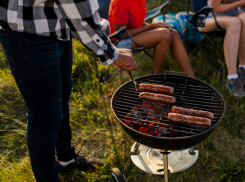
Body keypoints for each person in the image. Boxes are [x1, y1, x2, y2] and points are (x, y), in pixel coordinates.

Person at [0, 0, 137, 181]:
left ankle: (66, 158)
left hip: (58, 23)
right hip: (27, 31)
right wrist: (111, 54)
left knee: (62, 96)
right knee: (44, 118)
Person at [108, 0, 196, 77]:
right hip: (117, 42)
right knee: (164, 34)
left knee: (174, 33)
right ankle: (156, 78)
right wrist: (150, 27)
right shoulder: (120, 1)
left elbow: (136, 23)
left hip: (132, 35)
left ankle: (193, 81)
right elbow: (120, 34)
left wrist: (154, 27)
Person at [201, 0, 245, 98]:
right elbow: (214, 9)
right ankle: (232, 78)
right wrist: (241, 3)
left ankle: (243, 69)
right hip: (208, 17)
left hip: (233, 13)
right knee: (234, 23)